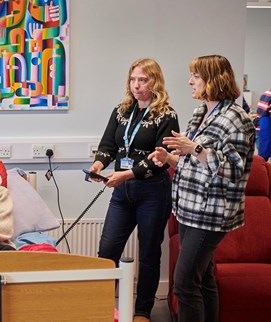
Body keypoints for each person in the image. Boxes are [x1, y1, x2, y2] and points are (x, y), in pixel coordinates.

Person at [148, 55, 255, 322]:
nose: (190, 81)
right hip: (187, 209)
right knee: (204, 279)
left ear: (214, 79)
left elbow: (233, 169)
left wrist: (194, 148)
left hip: (210, 213)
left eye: (196, 76)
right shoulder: (201, 112)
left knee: (184, 283)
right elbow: (196, 162)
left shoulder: (236, 118)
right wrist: (171, 158)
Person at [89, 58, 180, 322]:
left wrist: (126, 174)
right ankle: (103, 305)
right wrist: (98, 164)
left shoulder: (167, 114)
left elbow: (160, 158)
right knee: (107, 250)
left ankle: (143, 311)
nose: (137, 85)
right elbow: (108, 145)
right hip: (123, 192)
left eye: (143, 80)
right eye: (133, 79)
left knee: (149, 252)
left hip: (152, 191)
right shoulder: (122, 110)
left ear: (155, 82)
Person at [257, 88, 271, 161]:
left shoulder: (266, 93)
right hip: (266, 130)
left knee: (262, 158)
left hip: (261, 128)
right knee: (263, 157)